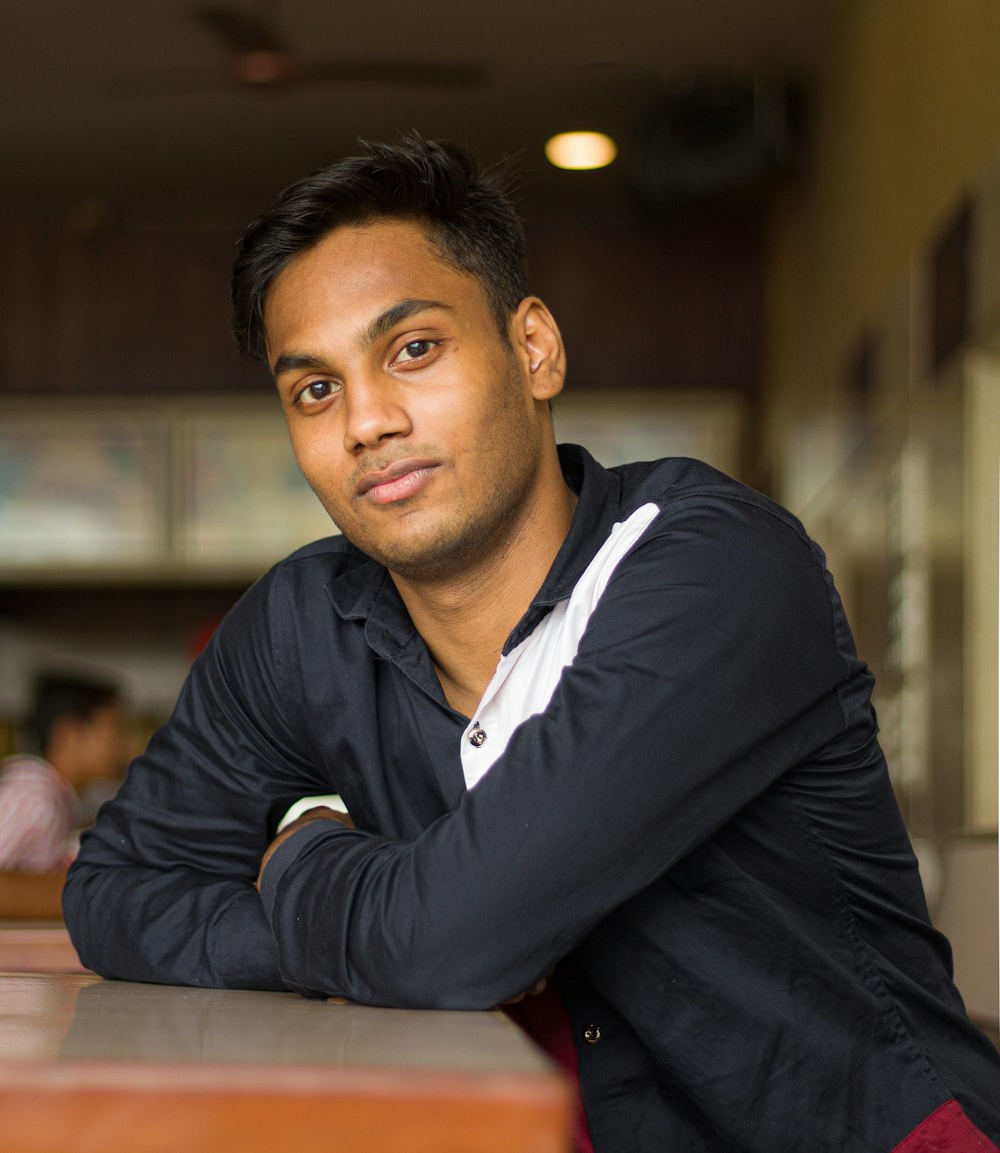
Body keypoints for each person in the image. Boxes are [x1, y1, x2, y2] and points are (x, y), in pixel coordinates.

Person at [64, 136, 1000, 1152]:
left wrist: (304, 857)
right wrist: (362, 935)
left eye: (412, 348)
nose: (367, 420)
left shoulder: (715, 568)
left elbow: (450, 938)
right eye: (314, 389)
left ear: (534, 348)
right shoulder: (302, 625)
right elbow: (115, 889)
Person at [0, 672, 130, 918]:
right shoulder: (34, 799)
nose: (125, 746)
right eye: (116, 730)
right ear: (70, 733)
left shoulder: (59, 801)